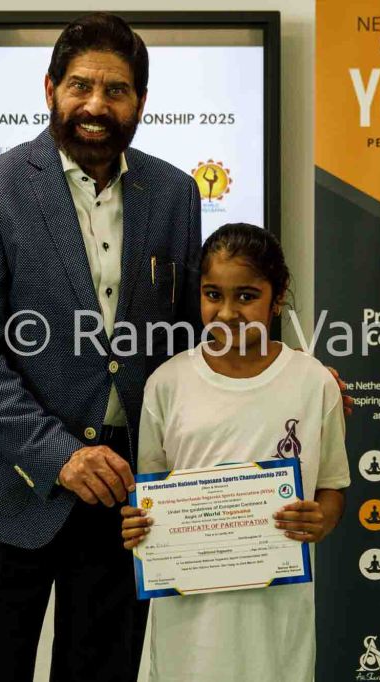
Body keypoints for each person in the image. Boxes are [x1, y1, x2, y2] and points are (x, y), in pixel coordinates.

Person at [0, 13, 202, 681]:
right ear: (51, 88)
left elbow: (191, 338)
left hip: (126, 496)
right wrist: (60, 456)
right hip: (11, 488)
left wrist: (283, 379)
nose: (96, 105)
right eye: (81, 85)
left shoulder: (175, 192)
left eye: (116, 90)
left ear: (140, 101)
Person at [120, 223, 350, 682]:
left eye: (246, 296)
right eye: (213, 295)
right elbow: (150, 495)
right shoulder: (167, 383)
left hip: (276, 618)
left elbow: (332, 487)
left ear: (277, 297)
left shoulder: (313, 382)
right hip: (190, 622)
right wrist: (137, 523)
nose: (227, 313)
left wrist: (321, 518)